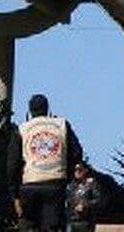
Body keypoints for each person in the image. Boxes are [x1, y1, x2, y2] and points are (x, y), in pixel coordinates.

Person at [8, 94, 83, 232]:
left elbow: (12, 164)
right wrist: (67, 172)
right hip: (55, 185)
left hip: (29, 184)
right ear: (47, 109)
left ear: (30, 111)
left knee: (28, 226)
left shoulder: (22, 129)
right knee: (52, 227)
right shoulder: (62, 125)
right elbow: (77, 153)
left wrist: (15, 194)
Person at [64, 163, 103, 232]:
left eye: (80, 170)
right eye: (75, 170)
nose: (77, 172)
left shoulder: (92, 184)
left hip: (86, 221)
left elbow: (98, 200)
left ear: (86, 170)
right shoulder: (70, 186)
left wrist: (85, 205)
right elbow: (67, 200)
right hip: (71, 220)